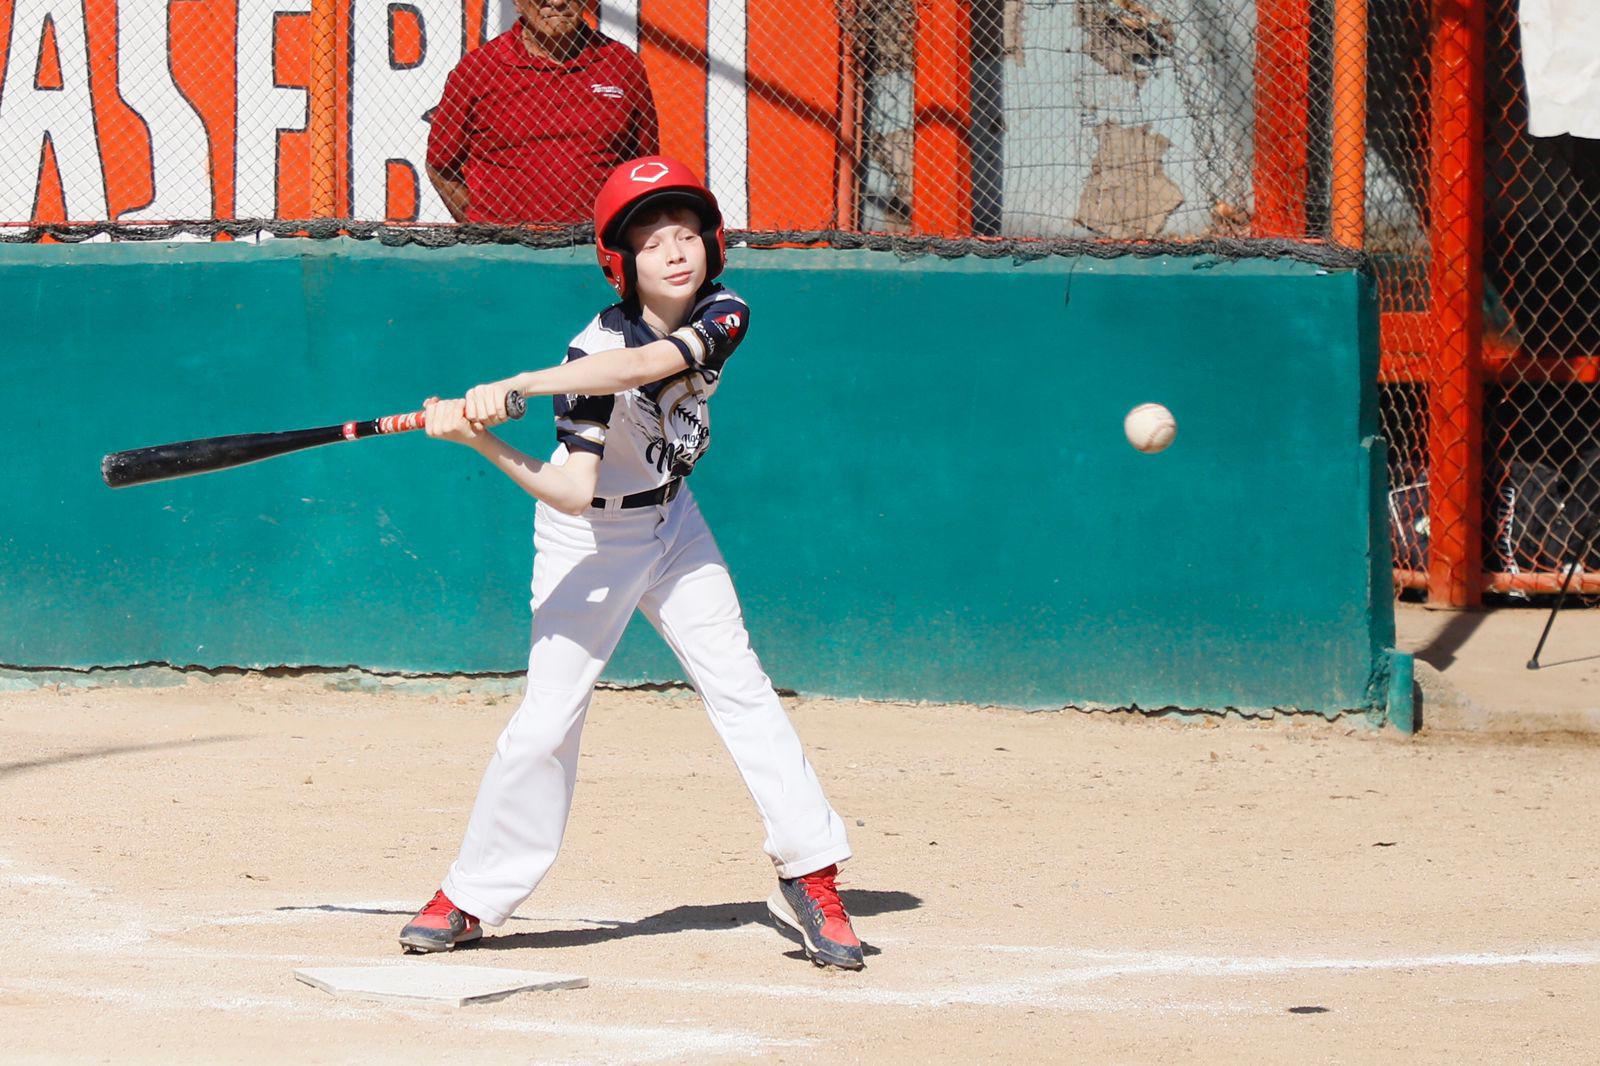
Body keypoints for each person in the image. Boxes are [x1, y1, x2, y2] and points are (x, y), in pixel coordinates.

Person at [398, 156, 865, 970]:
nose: (675, 251)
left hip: (675, 522)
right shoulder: (589, 353)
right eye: (653, 243)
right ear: (623, 264)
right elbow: (572, 491)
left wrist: (520, 383)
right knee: (545, 722)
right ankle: (472, 895)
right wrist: (479, 436)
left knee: (742, 687)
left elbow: (648, 366)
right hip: (592, 542)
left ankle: (812, 873)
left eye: (687, 233)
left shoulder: (725, 309)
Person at [425, 0, 659, 224]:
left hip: (596, 243)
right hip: (502, 247)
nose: (557, 2)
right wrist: (478, 228)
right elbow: (439, 165)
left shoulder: (621, 64)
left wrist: (620, 231)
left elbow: (645, 163)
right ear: (518, 3)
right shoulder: (478, 69)